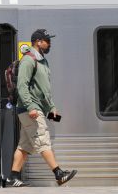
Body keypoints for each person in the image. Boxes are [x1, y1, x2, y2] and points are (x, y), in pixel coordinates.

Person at [5, 29, 77, 187]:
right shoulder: (28, 60)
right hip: (30, 109)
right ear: (38, 41)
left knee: (25, 145)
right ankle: (59, 174)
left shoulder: (42, 61)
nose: (49, 43)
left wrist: (51, 107)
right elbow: (22, 86)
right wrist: (31, 106)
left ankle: (13, 177)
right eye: (46, 40)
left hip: (36, 108)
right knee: (43, 139)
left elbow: (44, 89)